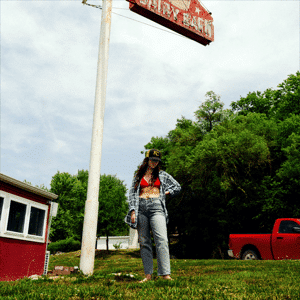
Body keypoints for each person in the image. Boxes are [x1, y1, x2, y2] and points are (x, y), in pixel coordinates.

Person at [124, 149, 181, 283]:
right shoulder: (138, 177)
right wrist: (133, 211)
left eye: (157, 161)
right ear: (147, 160)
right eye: (152, 160)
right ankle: (148, 275)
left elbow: (177, 187)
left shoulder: (162, 175)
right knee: (144, 242)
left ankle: (165, 274)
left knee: (161, 239)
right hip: (141, 208)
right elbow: (132, 194)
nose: (154, 163)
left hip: (157, 208)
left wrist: (165, 193)